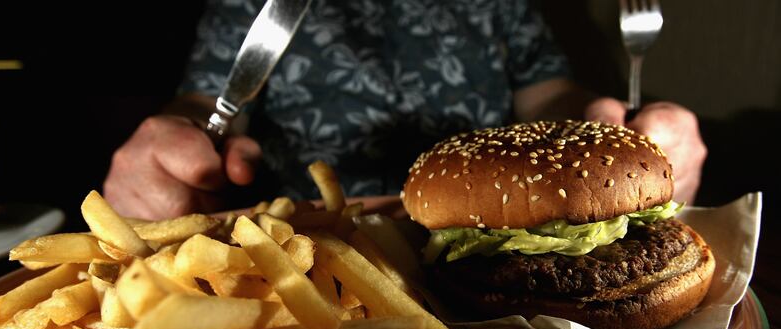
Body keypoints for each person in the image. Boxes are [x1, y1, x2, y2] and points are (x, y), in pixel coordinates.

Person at [104, 0, 706, 220]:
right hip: (316, 244)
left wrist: (615, 135)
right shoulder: (252, 4)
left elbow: (548, 96)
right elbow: (209, 102)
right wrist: (173, 144)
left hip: (488, 233)